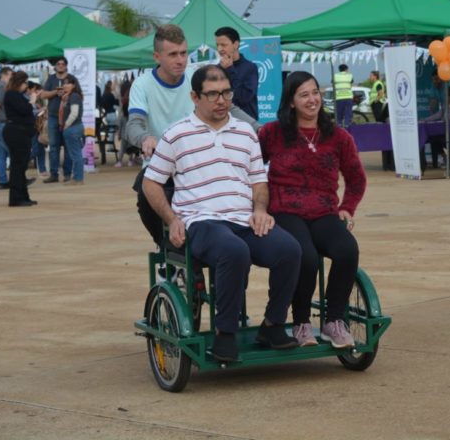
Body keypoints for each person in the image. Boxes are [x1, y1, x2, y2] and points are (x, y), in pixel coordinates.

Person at [142, 65, 301, 362]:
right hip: (202, 221)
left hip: (244, 219)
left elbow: (258, 180)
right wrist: (171, 218)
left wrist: (260, 209)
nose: (221, 100)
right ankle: (224, 335)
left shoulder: (245, 133)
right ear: (194, 96)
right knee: (233, 250)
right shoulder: (177, 134)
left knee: (289, 249)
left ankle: (272, 325)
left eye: (226, 93)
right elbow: (152, 181)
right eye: (212, 94)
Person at [259, 71, 366, 349]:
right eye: (303, 94)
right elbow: (251, 168)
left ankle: (334, 321)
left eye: (315, 92)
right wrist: (258, 206)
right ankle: (301, 322)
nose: (312, 100)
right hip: (285, 211)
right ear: (291, 101)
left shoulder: (339, 137)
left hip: (323, 211)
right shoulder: (272, 133)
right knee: (304, 256)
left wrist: (347, 208)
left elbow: (356, 179)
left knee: (347, 249)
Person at [127, 24, 259, 247]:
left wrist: (259, 128)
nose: (180, 60)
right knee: (144, 190)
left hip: (199, 159)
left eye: (183, 53)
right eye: (172, 55)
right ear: (157, 56)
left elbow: (229, 108)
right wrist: (145, 138)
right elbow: (134, 124)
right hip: (163, 161)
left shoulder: (194, 77)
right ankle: (167, 246)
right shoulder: (142, 85)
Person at [2, 71, 38, 207]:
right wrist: (32, 101)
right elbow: (24, 110)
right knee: (18, 166)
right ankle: (16, 198)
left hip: (22, 133)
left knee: (22, 166)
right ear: (19, 83)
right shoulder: (11, 95)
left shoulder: (17, 95)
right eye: (25, 83)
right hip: (16, 133)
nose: (26, 86)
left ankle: (24, 196)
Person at [215, 26, 259, 120]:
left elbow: (243, 98)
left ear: (235, 44)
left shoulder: (250, 68)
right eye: (217, 45)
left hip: (246, 123)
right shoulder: (216, 69)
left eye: (223, 45)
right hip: (223, 123)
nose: (219, 49)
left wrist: (230, 69)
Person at [41, 57, 73, 183]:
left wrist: (67, 92)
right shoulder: (51, 79)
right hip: (53, 116)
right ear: (55, 66)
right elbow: (43, 94)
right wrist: (55, 92)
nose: (60, 66)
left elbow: (78, 94)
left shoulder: (71, 78)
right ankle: (54, 174)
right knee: (54, 146)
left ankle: (67, 173)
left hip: (68, 117)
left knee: (68, 147)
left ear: (66, 66)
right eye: (58, 64)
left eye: (62, 64)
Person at [59, 74, 85, 185]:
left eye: (68, 83)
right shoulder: (70, 96)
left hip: (73, 128)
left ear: (74, 85)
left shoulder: (74, 96)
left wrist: (66, 125)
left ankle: (78, 178)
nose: (65, 85)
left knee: (75, 154)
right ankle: (77, 177)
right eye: (64, 83)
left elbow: (74, 113)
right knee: (76, 154)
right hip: (74, 127)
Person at [27, 81, 48, 177]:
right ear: (30, 89)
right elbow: (30, 112)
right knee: (36, 149)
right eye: (36, 90)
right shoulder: (28, 99)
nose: (37, 92)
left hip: (38, 127)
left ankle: (43, 169)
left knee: (41, 149)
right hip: (32, 127)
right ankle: (23, 161)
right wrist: (41, 110)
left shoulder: (37, 100)